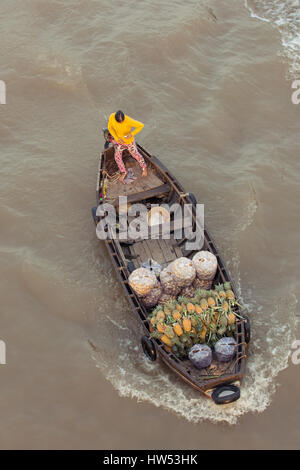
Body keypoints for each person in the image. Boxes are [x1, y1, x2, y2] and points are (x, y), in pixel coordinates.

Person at [108, 110, 148, 182]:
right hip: (119, 142)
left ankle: (144, 168)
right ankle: (124, 172)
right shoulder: (111, 117)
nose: (121, 122)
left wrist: (132, 134)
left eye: (122, 121)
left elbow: (140, 125)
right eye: (119, 121)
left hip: (129, 142)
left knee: (136, 155)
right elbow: (110, 128)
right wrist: (117, 138)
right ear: (115, 118)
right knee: (117, 157)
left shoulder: (128, 120)